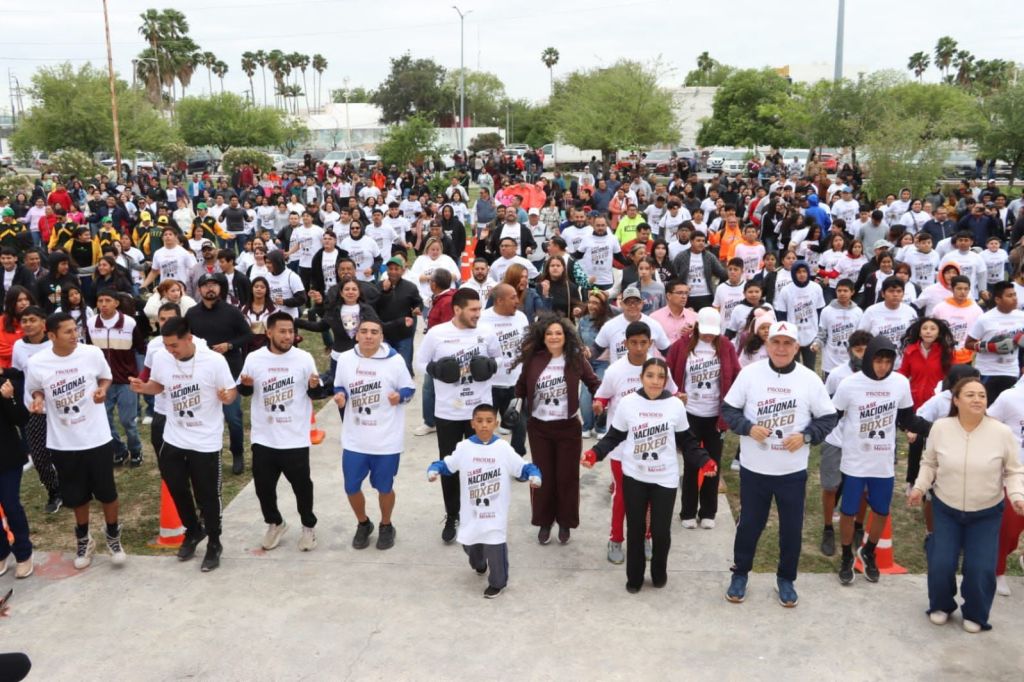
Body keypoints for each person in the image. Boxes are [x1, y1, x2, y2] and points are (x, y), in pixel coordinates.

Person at [721, 321, 837, 607]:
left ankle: (786, 579)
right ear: (767, 344)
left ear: (796, 347)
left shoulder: (809, 379)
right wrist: (747, 427)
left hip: (791, 471)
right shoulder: (750, 374)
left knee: (791, 528)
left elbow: (827, 417)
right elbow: (728, 409)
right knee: (749, 524)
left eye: (788, 343)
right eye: (776, 342)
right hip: (755, 469)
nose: (781, 348)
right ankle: (740, 574)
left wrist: (807, 435)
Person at [583, 358, 714, 593]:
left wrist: (704, 461)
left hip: (665, 478)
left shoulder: (675, 405)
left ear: (666, 380)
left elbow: (688, 441)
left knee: (661, 532)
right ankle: (634, 577)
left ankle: (658, 572)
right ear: (642, 377)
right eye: (650, 375)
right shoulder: (628, 403)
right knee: (634, 530)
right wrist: (595, 453)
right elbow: (614, 436)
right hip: (634, 476)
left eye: (660, 377)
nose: (655, 381)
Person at [909, 377, 1024, 632]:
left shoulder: (1001, 433)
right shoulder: (941, 427)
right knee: (941, 562)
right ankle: (941, 604)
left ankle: (975, 613)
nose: (977, 399)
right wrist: (919, 487)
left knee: (980, 567)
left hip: (986, 512)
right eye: (970, 395)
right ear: (956, 400)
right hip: (946, 509)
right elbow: (929, 463)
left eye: (982, 395)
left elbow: (1014, 471)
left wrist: (1017, 496)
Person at [129, 316, 237, 572]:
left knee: (207, 495)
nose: (170, 350)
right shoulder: (162, 357)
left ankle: (214, 541)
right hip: (174, 436)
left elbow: (231, 392)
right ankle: (192, 530)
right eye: (166, 345)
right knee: (176, 487)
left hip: (205, 441)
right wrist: (144, 387)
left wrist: (226, 395)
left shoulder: (213, 361)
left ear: (189, 339)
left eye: (174, 345)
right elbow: (159, 386)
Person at [25, 312, 126, 570]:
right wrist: (38, 398)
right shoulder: (37, 362)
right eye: (68, 331)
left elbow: (106, 376)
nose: (75, 335)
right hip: (63, 441)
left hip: (97, 437)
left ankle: (113, 536)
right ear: (51, 336)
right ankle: (84, 539)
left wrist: (102, 389)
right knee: (76, 496)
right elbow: (35, 387)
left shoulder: (91, 353)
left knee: (107, 492)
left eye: (75, 329)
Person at [831, 336, 929, 585]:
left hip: (883, 460)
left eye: (888, 361)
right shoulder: (849, 384)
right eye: (878, 360)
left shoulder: (899, 383)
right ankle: (845, 556)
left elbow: (908, 419)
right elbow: (832, 416)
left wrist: (937, 427)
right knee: (848, 511)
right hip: (855, 459)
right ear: (868, 359)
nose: (883, 366)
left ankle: (869, 551)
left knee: (882, 511)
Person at [427, 403, 542, 598]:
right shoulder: (464, 447)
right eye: (479, 421)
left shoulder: (503, 448)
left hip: (495, 513)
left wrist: (534, 476)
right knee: (471, 546)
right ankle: (479, 564)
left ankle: (498, 582)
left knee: (495, 545)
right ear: (472, 423)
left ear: (496, 424)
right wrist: (434, 469)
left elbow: (523, 467)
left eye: (489, 421)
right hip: (471, 513)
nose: (484, 425)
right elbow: (448, 464)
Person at [416, 288, 502, 543]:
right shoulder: (437, 334)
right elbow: (419, 363)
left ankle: (479, 515)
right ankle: (452, 514)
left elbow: (501, 359)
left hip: (480, 413)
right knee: (451, 466)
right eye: (473, 310)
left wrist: (489, 366)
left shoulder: (486, 332)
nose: (478, 314)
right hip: (449, 412)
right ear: (457, 310)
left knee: (481, 467)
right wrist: (436, 369)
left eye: (479, 309)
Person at [238, 312, 328, 552]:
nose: (288, 336)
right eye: (283, 331)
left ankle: (308, 527)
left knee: (301, 487)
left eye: (291, 331)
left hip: (294, 436)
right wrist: (245, 387)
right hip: (264, 436)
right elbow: (245, 392)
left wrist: (314, 387)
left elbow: (317, 393)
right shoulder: (254, 359)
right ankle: (275, 523)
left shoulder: (304, 358)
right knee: (263, 488)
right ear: (269, 333)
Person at [592, 321, 678, 564]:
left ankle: (645, 537)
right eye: (634, 343)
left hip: (652, 447)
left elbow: (670, 393)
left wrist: (678, 398)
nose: (639, 348)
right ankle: (616, 538)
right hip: (621, 447)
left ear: (651, 343)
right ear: (625, 344)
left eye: (644, 342)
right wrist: (599, 404)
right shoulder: (615, 371)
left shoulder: (659, 368)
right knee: (622, 496)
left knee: (650, 498)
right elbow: (602, 395)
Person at [515, 314, 600, 545]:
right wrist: (514, 406)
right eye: (549, 333)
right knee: (542, 477)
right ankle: (544, 522)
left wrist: (600, 400)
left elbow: (594, 383)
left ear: (566, 336)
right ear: (543, 337)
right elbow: (521, 387)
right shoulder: (534, 359)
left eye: (558, 333)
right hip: (539, 427)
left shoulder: (575, 359)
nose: (554, 337)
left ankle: (565, 523)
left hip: (568, 427)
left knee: (567, 478)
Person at [332, 317, 415, 550]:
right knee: (351, 487)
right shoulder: (346, 359)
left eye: (374, 332)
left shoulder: (395, 361)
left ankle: (386, 525)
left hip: (386, 440)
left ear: (381, 336)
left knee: (384, 487)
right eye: (364, 331)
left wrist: (400, 396)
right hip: (354, 439)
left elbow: (409, 389)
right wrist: (340, 396)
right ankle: (363, 523)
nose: (369, 336)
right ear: (356, 335)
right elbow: (339, 386)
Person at [666, 307, 739, 528]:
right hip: (690, 414)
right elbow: (668, 373)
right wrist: (676, 394)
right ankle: (687, 511)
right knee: (690, 464)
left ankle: (708, 512)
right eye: (705, 331)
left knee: (713, 464)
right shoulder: (682, 345)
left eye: (712, 332)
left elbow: (736, 374)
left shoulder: (725, 345)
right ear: (697, 326)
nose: (708, 336)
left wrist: (731, 404)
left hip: (715, 416)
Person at [185, 273, 253, 474]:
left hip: (229, 371)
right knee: (202, 417)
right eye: (205, 285)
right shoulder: (191, 314)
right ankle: (203, 456)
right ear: (199, 290)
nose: (209, 289)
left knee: (233, 418)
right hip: (201, 374)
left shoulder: (232, 312)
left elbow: (248, 335)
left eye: (213, 284)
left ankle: (237, 453)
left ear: (221, 289)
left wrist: (230, 345)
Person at [86, 289, 146, 467]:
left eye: (107, 300)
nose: (103, 304)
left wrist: (139, 376)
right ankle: (119, 450)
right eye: (100, 301)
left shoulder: (129, 323)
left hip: (126, 380)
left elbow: (140, 349)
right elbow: (89, 350)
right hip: (103, 381)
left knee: (128, 420)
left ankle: (135, 450)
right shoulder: (91, 323)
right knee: (104, 419)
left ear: (116, 303)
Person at [480, 283, 529, 456]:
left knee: (520, 424)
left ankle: (517, 458)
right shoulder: (482, 319)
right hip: (490, 385)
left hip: (515, 383)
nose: (517, 300)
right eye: (513, 297)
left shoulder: (521, 317)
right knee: (485, 425)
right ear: (499, 300)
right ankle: (487, 459)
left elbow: (527, 345)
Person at [987, 376, 1024, 597]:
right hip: (1015, 472)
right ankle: (997, 570)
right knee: (1009, 527)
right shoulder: (1010, 397)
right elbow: (988, 423)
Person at [964, 281, 1024, 404]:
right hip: (987, 371)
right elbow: (968, 343)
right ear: (997, 299)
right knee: (986, 408)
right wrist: (990, 347)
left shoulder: (1021, 316)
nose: (1014, 299)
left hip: (1011, 371)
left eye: (1015, 295)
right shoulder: (985, 319)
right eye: (1009, 296)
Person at [0, 371, 32, 578]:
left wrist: (10, 398)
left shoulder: (6, 383)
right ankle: (1, 553)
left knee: (10, 504)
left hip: (7, 457)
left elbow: (22, 418)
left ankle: (23, 554)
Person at [592, 285, 671, 364]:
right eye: (628, 302)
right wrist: (586, 354)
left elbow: (667, 351)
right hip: (619, 374)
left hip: (645, 374)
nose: (632, 305)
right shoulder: (609, 326)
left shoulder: (654, 325)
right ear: (622, 304)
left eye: (636, 302)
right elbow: (596, 350)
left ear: (642, 304)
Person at [375, 256, 422, 375]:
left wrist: (417, 308)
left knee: (403, 365)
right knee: (384, 365)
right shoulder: (378, 286)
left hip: (404, 333)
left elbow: (418, 302)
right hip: (385, 333)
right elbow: (374, 304)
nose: (393, 271)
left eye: (396, 269)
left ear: (402, 270)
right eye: (390, 269)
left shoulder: (410, 287)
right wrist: (384, 291)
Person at [774, 261, 826, 369]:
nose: (802, 274)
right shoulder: (786, 291)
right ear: (793, 274)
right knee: (793, 366)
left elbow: (820, 311)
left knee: (810, 367)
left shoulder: (816, 288)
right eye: (798, 272)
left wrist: (818, 334)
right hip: (793, 335)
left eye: (804, 271)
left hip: (811, 333)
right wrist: (785, 334)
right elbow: (781, 315)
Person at [670, 232, 727, 311]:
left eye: (703, 241)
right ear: (691, 241)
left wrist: (718, 287)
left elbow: (723, 274)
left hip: (706, 296)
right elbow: (673, 275)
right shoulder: (682, 256)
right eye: (698, 240)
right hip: (687, 296)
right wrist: (680, 288)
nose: (701, 243)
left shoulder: (709, 257)